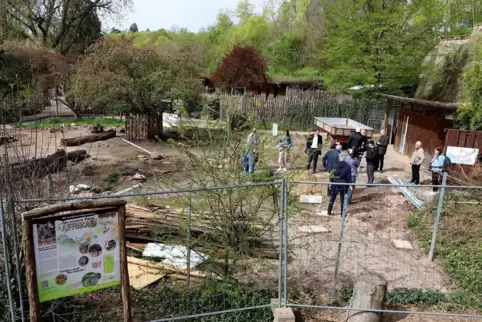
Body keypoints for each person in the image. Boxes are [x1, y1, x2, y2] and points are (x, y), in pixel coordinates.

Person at [327, 152, 352, 216]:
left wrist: (330, 183)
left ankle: (329, 211)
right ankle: (342, 213)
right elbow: (349, 177)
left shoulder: (334, 165)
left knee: (332, 197)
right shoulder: (348, 167)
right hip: (344, 185)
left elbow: (332, 175)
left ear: (339, 157)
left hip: (335, 184)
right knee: (343, 199)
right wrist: (350, 185)